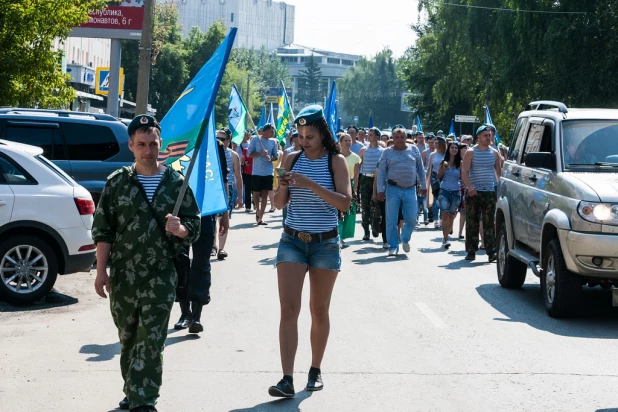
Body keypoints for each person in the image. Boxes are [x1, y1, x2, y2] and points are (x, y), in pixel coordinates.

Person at [92, 115, 201, 412]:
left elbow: (195, 224)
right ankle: (133, 389)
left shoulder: (176, 183)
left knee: (151, 339)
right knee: (128, 338)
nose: (148, 151)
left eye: (153, 144)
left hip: (160, 273)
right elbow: (103, 230)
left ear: (160, 144)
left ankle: (144, 400)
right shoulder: (117, 183)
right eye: (141, 144)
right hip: (124, 275)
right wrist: (101, 271)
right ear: (131, 146)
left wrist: (180, 229)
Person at [270, 105, 351, 398]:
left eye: (310, 136)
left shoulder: (336, 160)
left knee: (319, 310)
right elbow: (279, 204)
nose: (304, 141)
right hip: (292, 241)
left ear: (322, 134)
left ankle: (315, 369)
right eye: (301, 135)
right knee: (289, 309)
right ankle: (286, 379)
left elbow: (344, 204)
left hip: (325, 244)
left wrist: (309, 183)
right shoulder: (291, 158)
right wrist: (283, 184)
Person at [174, 138, 229, 335]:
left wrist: (224, 214)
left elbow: (222, 181)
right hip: (178, 212)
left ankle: (196, 314)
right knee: (180, 264)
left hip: (205, 213)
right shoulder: (182, 138)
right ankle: (184, 312)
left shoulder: (216, 146)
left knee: (201, 263)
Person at [376, 126, 427, 256]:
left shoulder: (413, 149)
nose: (399, 139)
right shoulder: (387, 152)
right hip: (392, 189)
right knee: (391, 220)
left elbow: (420, 169)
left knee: (411, 218)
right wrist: (379, 190)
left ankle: (404, 239)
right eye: (397, 137)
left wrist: (423, 185)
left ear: (406, 138)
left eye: (402, 137)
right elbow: (381, 172)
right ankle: (393, 246)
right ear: (393, 138)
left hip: (410, 189)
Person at [461, 125, 502, 262]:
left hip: (489, 192)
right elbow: (465, 171)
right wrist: (470, 187)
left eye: (490, 135)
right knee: (472, 222)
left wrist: (499, 188)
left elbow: (498, 173)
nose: (488, 137)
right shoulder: (471, 152)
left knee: (489, 223)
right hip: (474, 192)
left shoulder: (494, 152)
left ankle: (491, 252)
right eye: (485, 135)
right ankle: (471, 251)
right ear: (478, 137)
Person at [216, 128, 243, 260]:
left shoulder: (233, 155)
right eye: (216, 138)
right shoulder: (211, 152)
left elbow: (238, 176)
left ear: (227, 141)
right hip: (213, 189)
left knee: (223, 218)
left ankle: (221, 248)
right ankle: (212, 246)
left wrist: (240, 196)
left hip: (228, 189)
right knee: (212, 219)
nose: (218, 141)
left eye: (221, 139)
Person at [248, 123, 279, 225]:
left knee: (265, 194)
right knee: (256, 194)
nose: (272, 133)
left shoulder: (273, 142)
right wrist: (260, 153)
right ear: (265, 131)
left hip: (268, 171)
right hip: (257, 171)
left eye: (273, 131)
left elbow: (276, 156)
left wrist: (271, 158)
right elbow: (249, 154)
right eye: (271, 131)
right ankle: (257, 209)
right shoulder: (255, 140)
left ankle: (261, 216)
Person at [358, 127, 385, 243]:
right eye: (368, 134)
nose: (369, 136)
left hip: (378, 180)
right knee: (365, 205)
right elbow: (358, 166)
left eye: (372, 134)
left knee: (377, 205)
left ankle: (375, 226)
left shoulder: (383, 151)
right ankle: (366, 231)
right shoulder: (363, 150)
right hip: (365, 178)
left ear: (377, 137)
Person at [436, 142, 462, 249]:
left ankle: (448, 229)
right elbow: (438, 176)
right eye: (452, 147)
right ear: (449, 149)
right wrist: (443, 169)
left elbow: (463, 177)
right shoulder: (443, 162)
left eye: (456, 148)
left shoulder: (460, 163)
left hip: (456, 192)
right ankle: (445, 239)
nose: (454, 149)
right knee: (445, 214)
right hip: (444, 191)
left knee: (452, 215)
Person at [338, 133, 361, 248]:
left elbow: (356, 175)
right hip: (337, 184)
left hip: (350, 185)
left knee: (349, 212)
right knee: (338, 212)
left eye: (350, 140)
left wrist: (355, 189)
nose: (348, 142)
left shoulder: (356, 157)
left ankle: (342, 237)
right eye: (345, 140)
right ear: (340, 142)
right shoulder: (335, 156)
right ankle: (337, 237)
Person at [426, 136, 447, 229]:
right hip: (434, 177)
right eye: (435, 143)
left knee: (444, 198)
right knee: (436, 199)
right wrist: (427, 181)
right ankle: (436, 220)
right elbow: (429, 168)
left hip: (445, 176)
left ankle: (443, 220)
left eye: (438, 143)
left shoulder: (447, 154)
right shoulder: (432, 155)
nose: (435, 144)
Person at [237, 130, 254, 213]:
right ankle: (248, 206)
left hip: (257, 172)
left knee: (255, 190)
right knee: (247, 189)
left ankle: (256, 205)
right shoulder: (246, 150)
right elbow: (241, 160)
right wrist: (244, 162)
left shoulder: (259, 150)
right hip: (247, 172)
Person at [457, 143, 469, 239]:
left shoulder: (470, 158)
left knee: (466, 212)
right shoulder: (458, 161)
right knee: (461, 211)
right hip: (460, 187)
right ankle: (459, 232)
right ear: (460, 150)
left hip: (468, 186)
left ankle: (464, 232)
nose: (467, 149)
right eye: (465, 148)